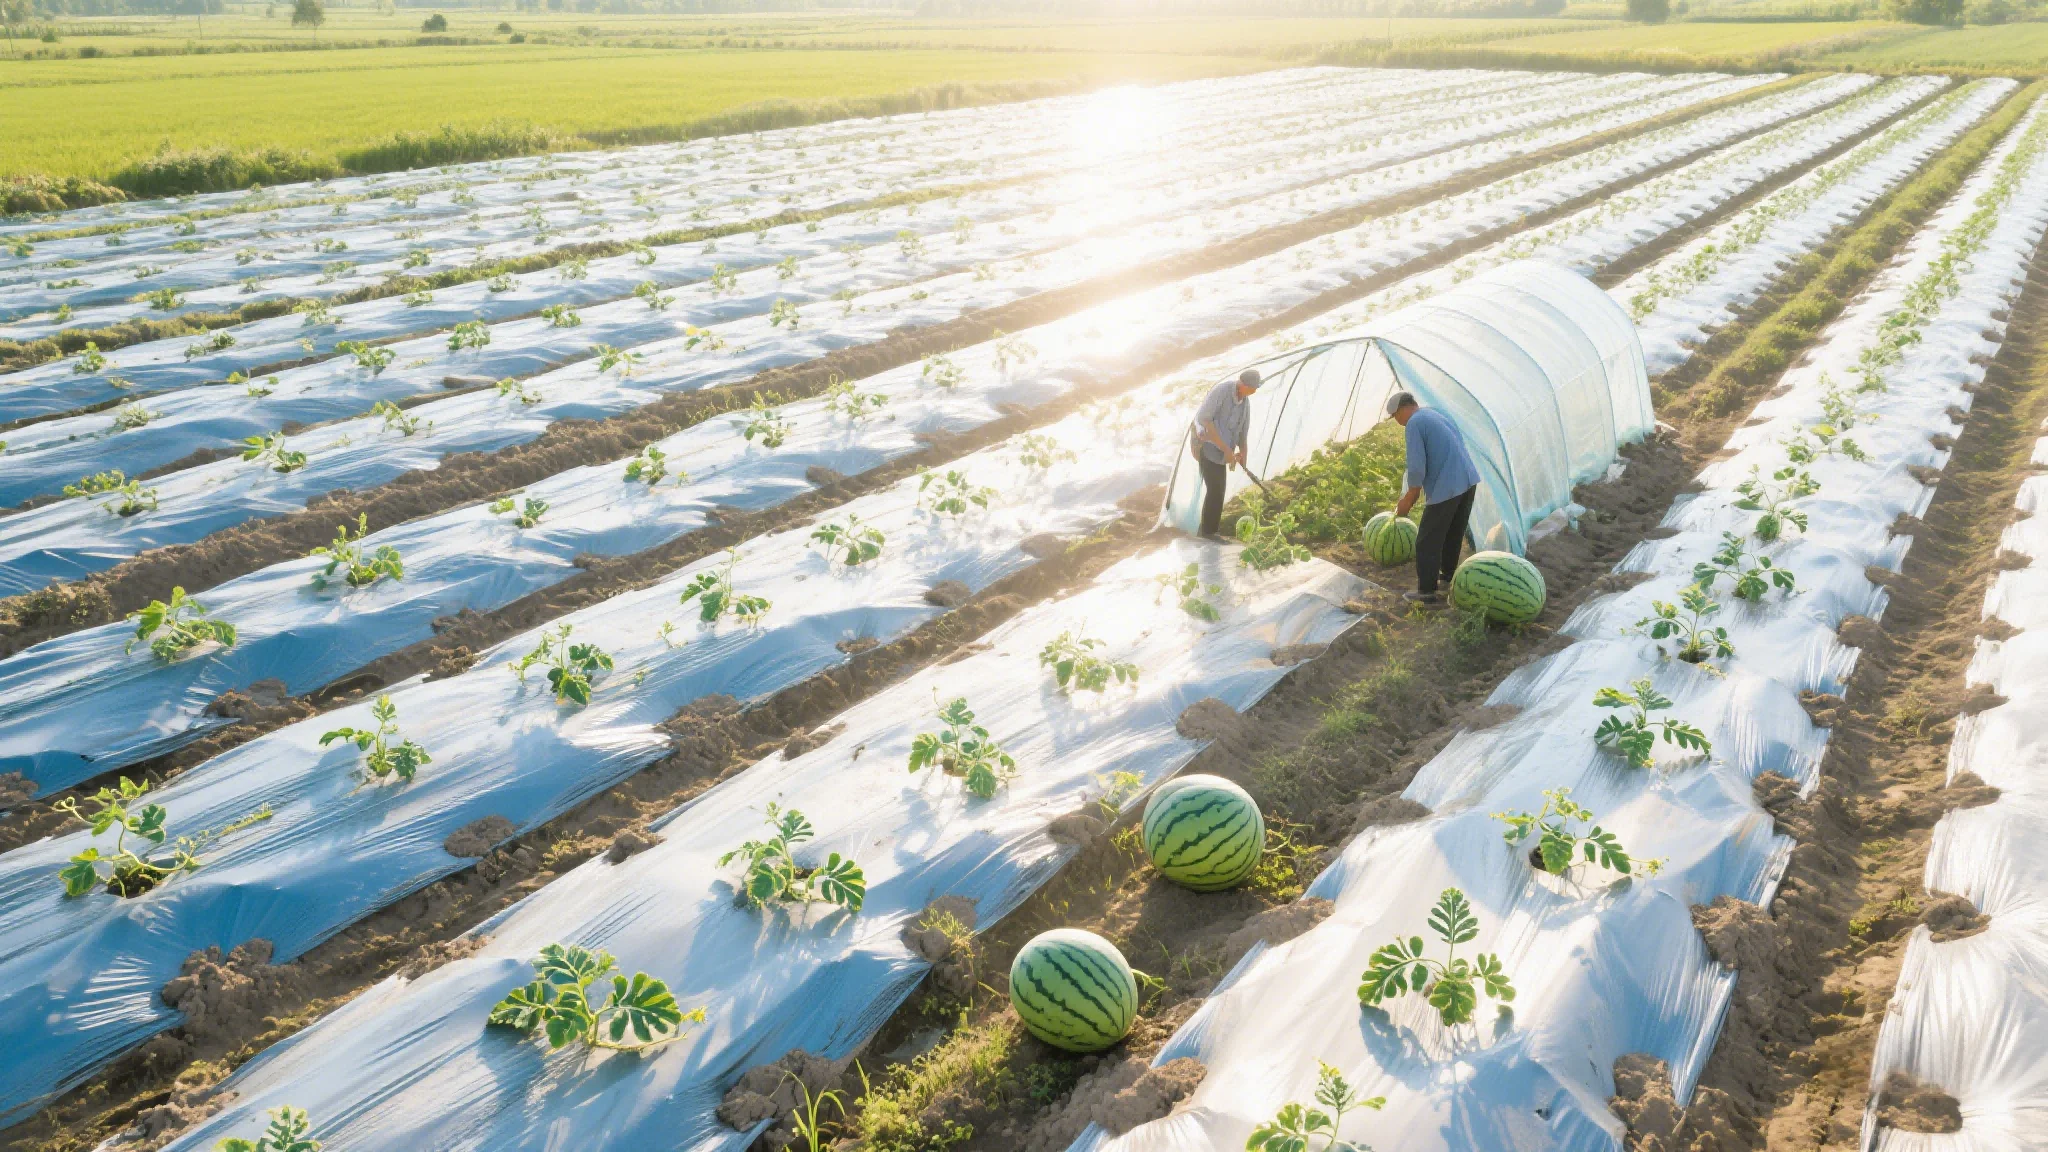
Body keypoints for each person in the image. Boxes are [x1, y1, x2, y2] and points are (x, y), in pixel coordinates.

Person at [1389, 391, 1480, 605]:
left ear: (1403, 409)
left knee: (1426, 541)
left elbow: (1417, 466)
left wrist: (1408, 498)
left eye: (1395, 416)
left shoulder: (1414, 423)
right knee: (1452, 533)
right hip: (1467, 479)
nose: (1397, 421)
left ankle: (1427, 592)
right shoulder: (1434, 414)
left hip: (1447, 485)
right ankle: (1448, 577)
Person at [1191, 368, 1261, 539]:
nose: (1255, 391)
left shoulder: (1245, 403)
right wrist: (1227, 450)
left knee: (1218, 489)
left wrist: (1242, 454)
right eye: (1253, 388)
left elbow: (1242, 432)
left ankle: (1209, 530)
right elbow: (1205, 420)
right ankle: (1208, 532)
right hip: (1206, 444)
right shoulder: (1222, 391)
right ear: (1243, 385)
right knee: (1215, 489)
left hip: (1223, 451)